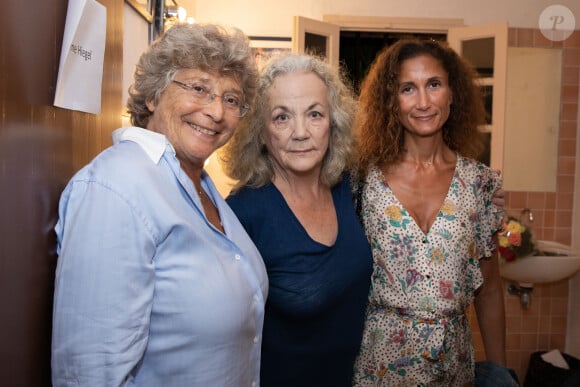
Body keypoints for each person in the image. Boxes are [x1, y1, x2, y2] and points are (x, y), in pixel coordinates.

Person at [51, 23, 268, 386]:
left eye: (231, 99)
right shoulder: (115, 188)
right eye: (198, 88)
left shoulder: (198, 184)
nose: (216, 112)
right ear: (153, 96)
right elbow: (91, 373)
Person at [351, 39, 516, 386]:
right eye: (407, 88)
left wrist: (500, 374)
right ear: (391, 101)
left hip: (453, 366)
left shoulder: (479, 184)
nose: (423, 102)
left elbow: (488, 289)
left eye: (434, 85)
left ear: (452, 93)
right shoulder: (362, 179)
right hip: (379, 364)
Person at [220, 53, 373, 387]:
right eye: (281, 118)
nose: (301, 132)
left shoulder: (348, 187)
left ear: (334, 123)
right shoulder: (242, 214)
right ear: (260, 133)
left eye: (314, 114)